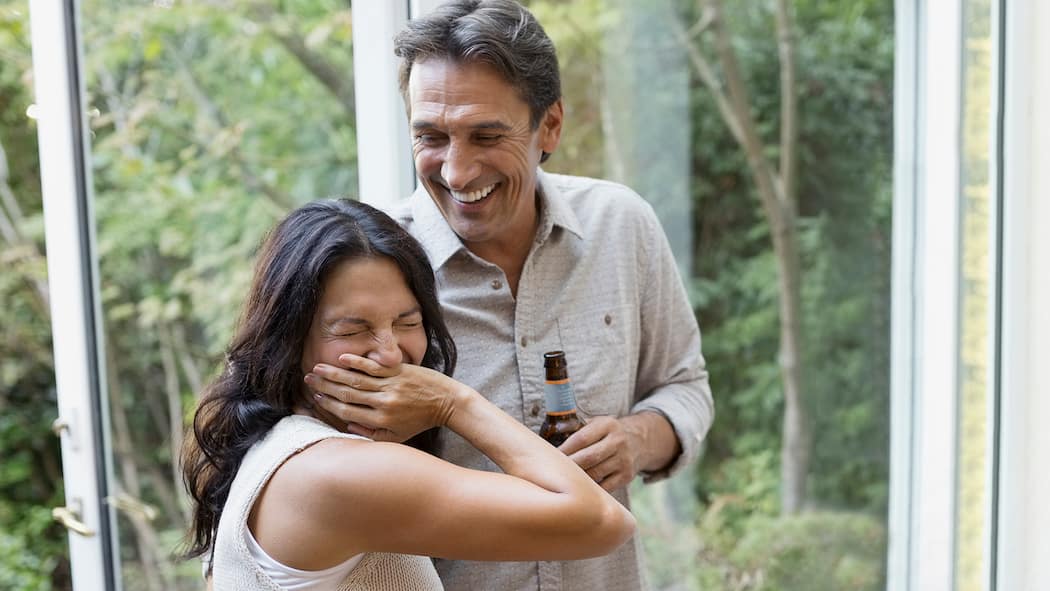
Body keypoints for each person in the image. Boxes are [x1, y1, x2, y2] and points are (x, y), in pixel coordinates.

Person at [306, 1, 715, 590]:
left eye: (486, 135)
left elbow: (686, 385)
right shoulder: (369, 271)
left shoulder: (622, 224)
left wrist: (639, 438)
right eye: (431, 137)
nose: (457, 172)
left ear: (550, 126)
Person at [181, 198, 635, 591]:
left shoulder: (273, 445)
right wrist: (452, 402)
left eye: (408, 322)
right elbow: (602, 521)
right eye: (352, 329)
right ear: (289, 339)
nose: (390, 353)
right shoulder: (335, 473)